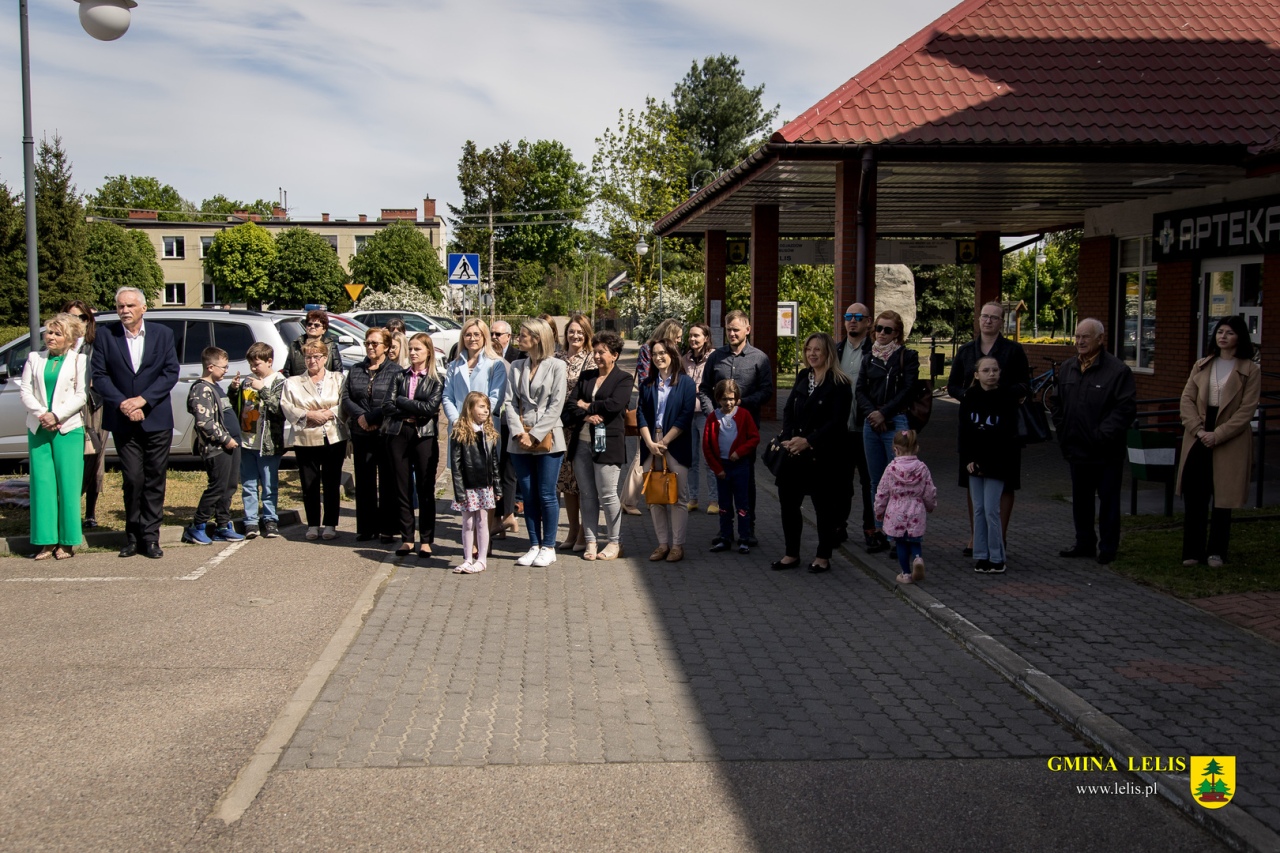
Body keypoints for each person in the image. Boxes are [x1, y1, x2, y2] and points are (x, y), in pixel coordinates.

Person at [92, 286, 180, 559]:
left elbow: (170, 372)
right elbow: (100, 375)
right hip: (122, 419)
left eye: (130, 306)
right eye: (120, 306)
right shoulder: (106, 336)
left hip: (156, 418)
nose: (125, 311)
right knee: (132, 478)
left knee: (155, 478)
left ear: (143, 308)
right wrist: (124, 403)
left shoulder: (162, 335)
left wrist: (142, 400)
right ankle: (132, 536)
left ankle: (151, 537)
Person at [1175, 316, 1261, 568]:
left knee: (1223, 495)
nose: (1223, 336)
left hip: (1229, 436)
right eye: (1220, 331)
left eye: (1229, 332)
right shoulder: (1202, 365)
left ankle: (1216, 552)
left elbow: (1247, 410)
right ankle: (1192, 551)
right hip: (1198, 433)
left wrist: (1218, 434)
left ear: (1239, 337)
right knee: (1195, 493)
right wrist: (1199, 431)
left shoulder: (1249, 369)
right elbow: (1186, 400)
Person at [946, 301, 1030, 556]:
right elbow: (952, 386)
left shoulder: (1013, 351)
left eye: (994, 317)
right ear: (978, 319)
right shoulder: (966, 351)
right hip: (973, 429)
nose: (988, 321)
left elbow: (1024, 386)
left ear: (1001, 322)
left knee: (1003, 484)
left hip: (1004, 430)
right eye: (984, 316)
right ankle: (977, 538)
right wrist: (971, 396)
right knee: (975, 483)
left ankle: (998, 538)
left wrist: (996, 393)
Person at [1050, 318, 1137, 564]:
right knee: (1081, 500)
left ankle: (1108, 547)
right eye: (1077, 337)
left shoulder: (1118, 370)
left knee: (1108, 501)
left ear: (1100, 339)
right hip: (1076, 448)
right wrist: (1063, 429)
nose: (1080, 342)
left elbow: (1124, 409)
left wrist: (1100, 435)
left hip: (1105, 451)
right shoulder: (1068, 367)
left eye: (1085, 337)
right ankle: (1084, 542)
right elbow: (1056, 402)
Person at [770, 333, 853, 573]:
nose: (812, 354)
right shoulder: (802, 377)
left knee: (824, 508)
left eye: (818, 350)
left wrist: (809, 441)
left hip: (823, 455)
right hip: (794, 452)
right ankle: (791, 554)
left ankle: (823, 556)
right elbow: (788, 410)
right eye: (808, 349)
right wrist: (787, 438)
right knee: (788, 504)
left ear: (828, 353)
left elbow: (837, 423)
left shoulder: (840, 384)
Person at [699, 310, 772, 544]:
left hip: (745, 433)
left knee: (746, 484)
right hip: (718, 434)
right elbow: (704, 388)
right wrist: (713, 414)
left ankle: (747, 530)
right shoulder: (716, 358)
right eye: (729, 329)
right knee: (723, 485)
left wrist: (742, 405)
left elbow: (767, 391)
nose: (731, 333)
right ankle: (725, 530)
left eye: (736, 329)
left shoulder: (759, 358)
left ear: (747, 330)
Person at [19, 312, 87, 561]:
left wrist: (56, 415)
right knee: (43, 485)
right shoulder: (34, 358)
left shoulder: (79, 360)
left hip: (68, 429)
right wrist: (42, 414)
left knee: (68, 485)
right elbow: (25, 390)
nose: (51, 337)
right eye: (49, 332)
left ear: (70, 339)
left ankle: (68, 543)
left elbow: (81, 395)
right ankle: (46, 542)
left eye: (58, 334)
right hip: (38, 428)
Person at [562, 330, 631, 561]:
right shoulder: (586, 377)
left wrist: (587, 405)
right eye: (595, 351)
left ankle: (614, 542)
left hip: (608, 444)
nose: (597, 356)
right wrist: (585, 415)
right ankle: (591, 542)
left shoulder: (624, 379)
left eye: (602, 352)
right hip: (581, 443)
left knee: (608, 494)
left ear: (615, 355)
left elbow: (614, 405)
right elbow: (570, 406)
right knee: (587, 494)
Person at [504, 318, 567, 567]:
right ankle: (533, 544)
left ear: (537, 338)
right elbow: (509, 402)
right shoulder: (516, 366)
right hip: (519, 438)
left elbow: (556, 405)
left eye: (523, 335)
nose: (519, 339)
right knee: (528, 494)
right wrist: (519, 432)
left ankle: (549, 546)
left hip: (548, 437)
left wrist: (535, 434)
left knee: (546, 493)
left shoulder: (557, 366)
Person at [855, 310, 920, 551]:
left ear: (898, 333)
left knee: (900, 481)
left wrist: (885, 413)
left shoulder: (907, 357)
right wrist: (873, 414)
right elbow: (860, 390)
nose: (882, 333)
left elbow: (908, 389)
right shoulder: (868, 357)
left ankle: (898, 535)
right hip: (871, 424)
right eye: (879, 328)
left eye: (888, 330)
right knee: (876, 482)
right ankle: (880, 530)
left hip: (896, 423)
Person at [443, 317, 508, 548]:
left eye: (477, 335)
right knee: (464, 484)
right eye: (468, 334)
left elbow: (495, 397)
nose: (472, 339)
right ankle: (469, 539)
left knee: (486, 485)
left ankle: (485, 539)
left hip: (485, 430)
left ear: (485, 338)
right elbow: (447, 397)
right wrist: (460, 422)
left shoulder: (495, 364)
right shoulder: (454, 365)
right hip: (460, 432)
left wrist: (477, 421)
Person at [282, 339, 349, 541]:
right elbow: (287, 405)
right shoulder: (293, 382)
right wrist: (309, 415)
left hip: (333, 436)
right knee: (309, 483)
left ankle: (330, 524)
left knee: (331, 481)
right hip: (306, 437)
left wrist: (329, 412)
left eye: (317, 356)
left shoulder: (338, 378)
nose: (312, 361)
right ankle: (312, 524)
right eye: (308, 357)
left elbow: (345, 402)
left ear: (325, 358)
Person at [383, 332, 443, 558]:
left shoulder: (436, 380)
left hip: (424, 436)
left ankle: (426, 539)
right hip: (399, 432)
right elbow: (387, 406)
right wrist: (412, 407)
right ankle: (407, 538)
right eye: (411, 348)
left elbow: (429, 409)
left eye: (418, 348)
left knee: (425, 488)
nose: (413, 352)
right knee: (402, 487)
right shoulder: (399, 376)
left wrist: (402, 401)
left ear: (428, 351)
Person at [637, 338, 697, 563]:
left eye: (662, 353)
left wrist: (665, 442)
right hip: (650, 442)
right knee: (654, 497)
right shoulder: (647, 384)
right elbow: (641, 413)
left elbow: (685, 416)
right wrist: (650, 442)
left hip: (675, 443)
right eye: (654, 354)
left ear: (672, 354)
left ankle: (677, 546)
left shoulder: (687, 384)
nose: (658, 357)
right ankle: (662, 544)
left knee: (678, 498)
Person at [959, 356, 1019, 573]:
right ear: (977, 375)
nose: (991, 374)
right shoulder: (970, 397)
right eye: (986, 370)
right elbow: (965, 432)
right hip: (973, 463)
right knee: (979, 509)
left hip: (997, 462)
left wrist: (987, 461)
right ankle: (981, 554)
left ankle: (997, 556)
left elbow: (1007, 436)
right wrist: (968, 460)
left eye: (995, 370)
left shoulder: (1006, 398)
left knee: (992, 509)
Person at [340, 328, 401, 543]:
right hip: (361, 432)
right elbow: (346, 397)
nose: (371, 347)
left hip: (384, 432)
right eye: (368, 343)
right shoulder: (356, 369)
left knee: (387, 480)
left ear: (385, 346)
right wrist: (361, 417)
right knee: (364, 481)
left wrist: (374, 418)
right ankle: (366, 528)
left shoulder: (395, 371)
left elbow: (394, 400)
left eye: (375, 343)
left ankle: (387, 529)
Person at [182, 346, 245, 545]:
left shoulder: (216, 387)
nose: (226, 370)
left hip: (232, 446)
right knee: (217, 487)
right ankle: (197, 526)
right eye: (223, 367)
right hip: (217, 448)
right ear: (210, 367)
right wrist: (225, 439)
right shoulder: (201, 389)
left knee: (229, 487)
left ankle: (223, 525)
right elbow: (205, 422)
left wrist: (233, 391)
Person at [622, 319, 685, 515]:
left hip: (668, 409)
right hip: (650, 409)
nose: (680, 342)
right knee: (644, 454)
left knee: (655, 456)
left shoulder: (673, 354)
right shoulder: (646, 350)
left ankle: (652, 497)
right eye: (678, 338)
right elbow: (645, 380)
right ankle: (628, 500)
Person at [230, 342, 286, 539]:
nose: (253, 369)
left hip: (268, 443)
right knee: (249, 484)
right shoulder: (249, 380)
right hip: (247, 441)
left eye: (257, 365)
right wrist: (234, 390)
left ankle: (270, 520)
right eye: (251, 365)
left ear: (269, 361)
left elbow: (278, 409)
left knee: (269, 484)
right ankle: (251, 522)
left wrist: (262, 389)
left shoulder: (279, 381)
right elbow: (238, 406)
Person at [836, 302, 877, 551]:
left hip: (866, 428)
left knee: (869, 482)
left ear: (868, 322)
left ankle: (871, 529)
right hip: (841, 429)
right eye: (849, 316)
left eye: (858, 317)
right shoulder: (837, 349)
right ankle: (839, 526)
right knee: (841, 482)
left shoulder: (875, 351)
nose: (853, 321)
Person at [554, 313, 597, 551]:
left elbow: (587, 395)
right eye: (572, 331)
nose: (575, 335)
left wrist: (577, 405)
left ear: (587, 334)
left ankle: (585, 531)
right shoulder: (557, 357)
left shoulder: (591, 359)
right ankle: (571, 530)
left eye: (580, 332)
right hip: (560, 427)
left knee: (582, 481)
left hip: (581, 427)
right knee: (566, 482)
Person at [448, 391, 502, 574]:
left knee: (482, 521)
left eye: (487, 407)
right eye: (481, 406)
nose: (486, 410)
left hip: (484, 486)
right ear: (470, 408)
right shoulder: (459, 433)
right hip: (467, 486)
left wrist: (497, 486)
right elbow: (456, 465)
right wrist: (459, 491)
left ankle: (482, 559)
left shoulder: (488, 433)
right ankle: (467, 558)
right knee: (467, 522)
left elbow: (494, 461)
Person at [62, 300, 105, 529]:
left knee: (93, 456)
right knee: (71, 458)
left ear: (89, 320)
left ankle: (90, 513)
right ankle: (68, 509)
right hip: (66, 406)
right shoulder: (59, 344)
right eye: (71, 316)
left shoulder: (96, 343)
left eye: (82, 317)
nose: (76, 321)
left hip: (92, 404)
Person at [874, 429, 937, 585]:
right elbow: (929, 490)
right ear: (916, 448)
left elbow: (882, 492)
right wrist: (930, 506)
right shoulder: (922, 468)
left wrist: (879, 511)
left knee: (901, 542)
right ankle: (917, 558)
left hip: (896, 509)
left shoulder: (891, 469)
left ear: (895, 449)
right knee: (915, 540)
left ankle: (906, 573)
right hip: (916, 508)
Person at [704, 378, 759, 555]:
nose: (728, 403)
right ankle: (725, 537)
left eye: (731, 399)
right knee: (724, 504)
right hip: (722, 467)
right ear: (717, 399)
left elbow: (754, 438)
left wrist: (740, 452)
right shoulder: (713, 418)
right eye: (724, 399)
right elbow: (707, 446)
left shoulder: (744, 415)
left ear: (736, 398)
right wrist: (717, 468)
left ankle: (744, 537)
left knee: (743, 503)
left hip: (740, 465)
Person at [490, 319, 521, 535]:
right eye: (491, 334)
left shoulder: (516, 357)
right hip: (494, 422)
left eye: (498, 334)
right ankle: (500, 519)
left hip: (508, 422)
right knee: (495, 471)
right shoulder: (488, 358)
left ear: (508, 337)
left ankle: (507, 515)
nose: (494, 338)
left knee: (508, 471)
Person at [683, 322, 715, 514]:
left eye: (697, 336)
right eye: (691, 336)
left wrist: (696, 388)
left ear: (706, 337)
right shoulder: (684, 359)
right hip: (687, 414)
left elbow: (713, 384)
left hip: (705, 414)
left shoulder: (714, 358)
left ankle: (714, 500)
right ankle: (692, 498)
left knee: (709, 458)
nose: (693, 339)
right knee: (691, 459)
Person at [282, 310, 343, 377]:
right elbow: (286, 371)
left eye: (316, 325)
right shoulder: (295, 345)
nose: (312, 327)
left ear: (324, 330)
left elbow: (338, 372)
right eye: (309, 324)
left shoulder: (330, 346)